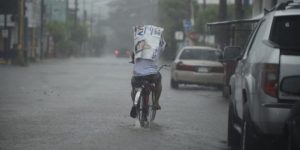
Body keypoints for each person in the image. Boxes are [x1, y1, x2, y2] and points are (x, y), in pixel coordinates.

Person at [130, 25, 166, 118]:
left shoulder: (137, 47)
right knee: (159, 79)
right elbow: (163, 47)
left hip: (137, 76)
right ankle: (156, 103)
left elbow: (133, 57)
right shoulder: (156, 48)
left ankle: (134, 103)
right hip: (151, 75)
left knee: (133, 87)